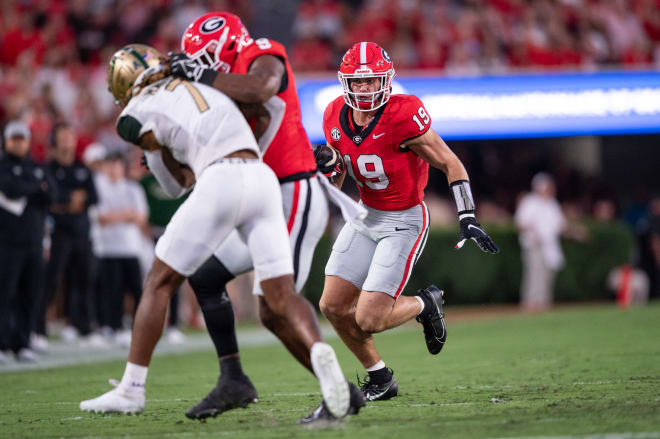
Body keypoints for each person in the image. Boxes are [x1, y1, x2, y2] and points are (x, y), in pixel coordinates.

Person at [79, 44, 357, 419]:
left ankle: (131, 388)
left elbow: (177, 184)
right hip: (261, 178)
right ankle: (321, 358)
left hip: (220, 179)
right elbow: (264, 109)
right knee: (281, 294)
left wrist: (157, 153)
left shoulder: (134, 113)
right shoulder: (212, 85)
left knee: (160, 280)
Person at [160, 12, 361, 420]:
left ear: (226, 49)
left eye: (207, 60)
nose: (204, 68)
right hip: (259, 198)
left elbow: (262, 87)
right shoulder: (218, 88)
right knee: (205, 274)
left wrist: (202, 77)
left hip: (291, 193)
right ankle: (233, 378)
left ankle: (339, 392)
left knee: (276, 305)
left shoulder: (262, 54)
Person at [301, 42, 500, 422]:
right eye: (357, 82)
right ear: (346, 83)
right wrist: (328, 172)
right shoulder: (332, 114)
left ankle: (427, 304)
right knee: (332, 306)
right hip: (364, 215)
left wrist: (468, 215)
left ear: (386, 80)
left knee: (370, 318)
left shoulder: (403, 114)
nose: (363, 89)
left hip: (404, 219)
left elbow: (449, 161)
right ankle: (380, 378)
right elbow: (341, 175)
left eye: (371, 80)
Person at [0, 121, 56, 364]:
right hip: (7, 241)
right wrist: (35, 189)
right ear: (6, 140)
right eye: (14, 139)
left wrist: (30, 189)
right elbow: (11, 190)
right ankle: (2, 343)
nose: (18, 143)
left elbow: (52, 195)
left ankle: (22, 342)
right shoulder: (2, 166)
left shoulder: (37, 166)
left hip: (34, 240)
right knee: (4, 293)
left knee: (29, 293)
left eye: (22, 139)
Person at [39, 122, 98, 344]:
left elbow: (92, 198)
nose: (66, 141)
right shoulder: (48, 168)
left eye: (69, 136)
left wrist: (65, 201)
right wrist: (70, 200)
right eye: (62, 137)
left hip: (81, 232)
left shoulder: (82, 167)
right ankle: (38, 328)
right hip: (58, 233)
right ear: (55, 141)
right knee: (51, 281)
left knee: (84, 279)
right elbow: (51, 200)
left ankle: (82, 327)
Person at [94, 151, 148, 343]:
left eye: (117, 165)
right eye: (111, 164)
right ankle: (114, 327)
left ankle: (139, 328)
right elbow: (100, 218)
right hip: (108, 248)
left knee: (136, 291)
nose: (114, 169)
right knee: (112, 291)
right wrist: (125, 214)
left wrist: (115, 216)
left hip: (131, 247)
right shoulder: (99, 187)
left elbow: (141, 217)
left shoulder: (133, 188)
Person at [515, 173, 566, 311]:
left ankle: (544, 303)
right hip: (534, 245)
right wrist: (533, 231)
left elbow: (559, 225)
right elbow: (520, 223)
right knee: (534, 274)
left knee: (548, 275)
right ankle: (530, 303)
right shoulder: (529, 202)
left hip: (550, 246)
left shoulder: (552, 204)